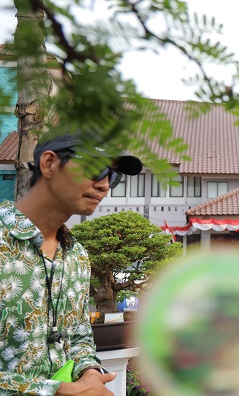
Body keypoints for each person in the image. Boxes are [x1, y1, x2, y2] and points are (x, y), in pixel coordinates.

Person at [0, 132, 143, 395]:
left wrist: (90, 372)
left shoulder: (76, 255)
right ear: (49, 164)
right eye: (95, 169)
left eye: (113, 176)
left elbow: (78, 337)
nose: (105, 185)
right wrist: (55, 390)